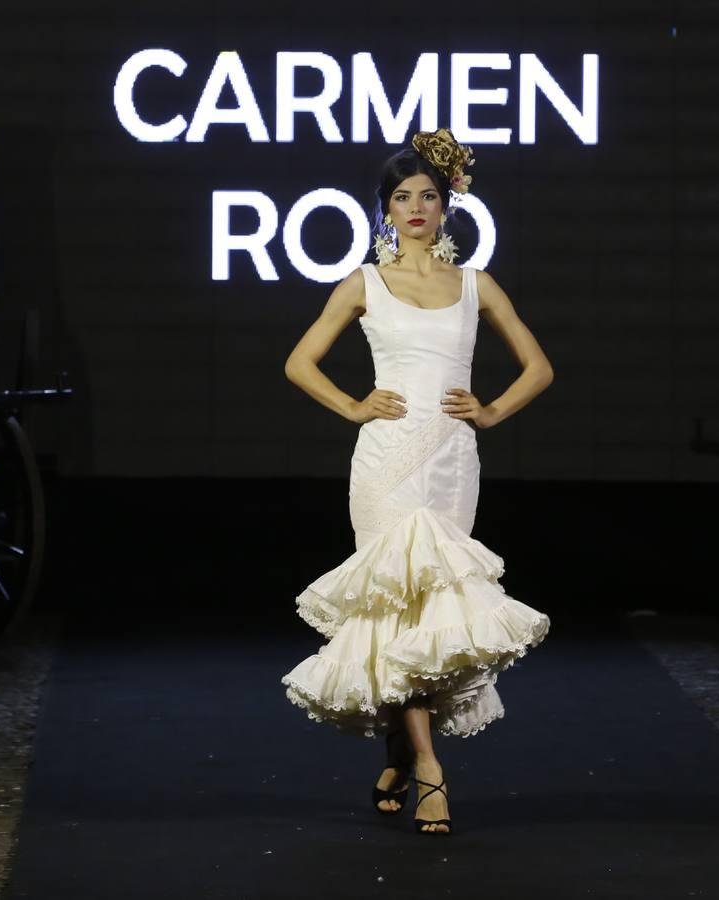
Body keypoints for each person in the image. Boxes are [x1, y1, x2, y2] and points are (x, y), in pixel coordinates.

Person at [279, 129, 554, 836]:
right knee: (393, 607)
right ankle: (429, 766)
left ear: (447, 204)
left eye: (428, 195)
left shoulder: (475, 285)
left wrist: (490, 410)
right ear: (385, 210)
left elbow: (540, 367)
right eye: (402, 198)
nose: (416, 208)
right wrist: (351, 405)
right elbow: (300, 362)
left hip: (450, 461)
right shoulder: (364, 283)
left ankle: (401, 749)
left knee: (435, 613)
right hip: (385, 462)